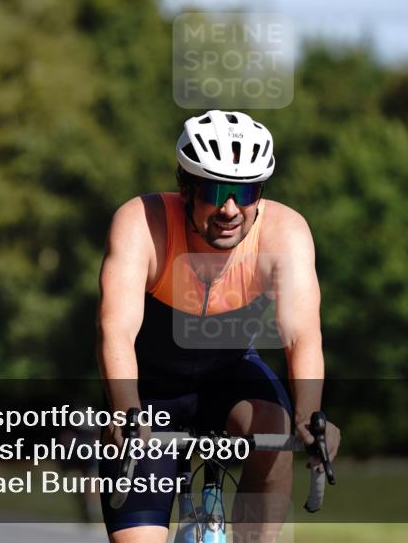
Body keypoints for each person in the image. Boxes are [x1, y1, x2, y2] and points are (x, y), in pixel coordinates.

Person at [96, 110, 340, 543]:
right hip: (150, 394)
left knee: (276, 425)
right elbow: (116, 330)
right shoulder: (142, 222)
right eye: (215, 190)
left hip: (230, 379)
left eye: (244, 193)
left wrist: (310, 415)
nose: (230, 209)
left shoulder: (285, 232)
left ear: (259, 194)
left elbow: (301, 333)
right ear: (186, 189)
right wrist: (125, 407)